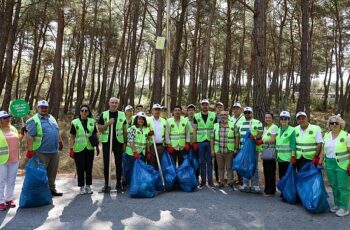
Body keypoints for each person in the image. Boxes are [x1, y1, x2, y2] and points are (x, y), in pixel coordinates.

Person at [26, 100, 64, 196]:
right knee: (40, 174)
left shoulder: (51, 118)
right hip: (41, 152)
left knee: (52, 173)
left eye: (45, 107)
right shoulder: (33, 120)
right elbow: (30, 136)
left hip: (54, 151)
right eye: (41, 107)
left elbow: (56, 130)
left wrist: (60, 141)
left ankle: (52, 189)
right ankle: (41, 193)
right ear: (37, 108)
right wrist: (30, 150)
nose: (44, 109)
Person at [319, 115, 350, 217]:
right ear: (329, 125)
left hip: (343, 164)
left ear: (340, 124)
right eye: (332, 123)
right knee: (334, 185)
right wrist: (320, 160)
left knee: (343, 186)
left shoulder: (346, 135)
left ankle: (344, 208)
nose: (334, 125)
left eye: (336, 123)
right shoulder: (326, 135)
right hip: (329, 163)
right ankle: (337, 204)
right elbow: (323, 150)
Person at [97, 97, 127, 193]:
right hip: (107, 142)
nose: (114, 104)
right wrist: (108, 123)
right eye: (112, 102)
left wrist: (124, 143)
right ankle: (107, 184)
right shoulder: (104, 114)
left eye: (116, 103)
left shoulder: (122, 114)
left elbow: (124, 130)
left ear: (118, 104)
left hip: (118, 142)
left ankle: (119, 184)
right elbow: (100, 129)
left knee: (119, 164)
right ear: (109, 103)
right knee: (106, 163)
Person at [69, 105, 98, 195]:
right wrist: (71, 149)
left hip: (89, 148)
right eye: (82, 110)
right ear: (80, 112)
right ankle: (81, 187)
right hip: (78, 149)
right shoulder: (75, 122)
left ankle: (88, 186)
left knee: (89, 168)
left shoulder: (92, 122)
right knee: (80, 168)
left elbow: (95, 135)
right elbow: (72, 137)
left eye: (86, 111)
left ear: (88, 112)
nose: (84, 112)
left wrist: (97, 146)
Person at [235, 107, 263, 193]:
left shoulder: (257, 122)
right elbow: (238, 136)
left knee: (253, 165)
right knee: (245, 165)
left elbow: (260, 134)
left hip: (253, 148)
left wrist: (254, 137)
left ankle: (255, 185)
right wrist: (237, 147)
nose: (247, 114)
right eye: (246, 112)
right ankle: (245, 184)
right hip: (243, 148)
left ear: (252, 113)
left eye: (249, 112)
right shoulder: (240, 123)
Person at [0, 111, 22, 211]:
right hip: (2, 160)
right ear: (0, 120)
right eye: (5, 118)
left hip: (14, 158)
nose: (8, 119)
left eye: (9, 117)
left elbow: (18, 141)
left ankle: (9, 199)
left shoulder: (13, 128)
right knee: (1, 181)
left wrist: (23, 133)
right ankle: (1, 201)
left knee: (11, 181)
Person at [194, 99, 216, 188]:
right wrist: (195, 142)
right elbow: (195, 130)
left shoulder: (213, 115)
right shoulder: (196, 116)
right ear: (201, 106)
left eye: (206, 104)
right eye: (203, 104)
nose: (205, 106)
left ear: (208, 105)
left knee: (210, 162)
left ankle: (210, 181)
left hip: (210, 141)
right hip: (200, 141)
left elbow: (215, 129)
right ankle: (203, 181)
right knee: (201, 162)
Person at [210, 111, 235, 188]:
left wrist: (236, 148)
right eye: (221, 115)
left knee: (229, 167)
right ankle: (222, 181)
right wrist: (212, 150)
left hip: (229, 150)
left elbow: (237, 137)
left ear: (228, 116)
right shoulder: (215, 126)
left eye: (225, 115)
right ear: (219, 116)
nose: (223, 116)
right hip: (218, 150)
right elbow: (212, 139)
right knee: (220, 167)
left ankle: (230, 181)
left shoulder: (233, 125)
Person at [261, 112, 278, 196]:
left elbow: (273, 140)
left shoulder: (274, 127)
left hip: (271, 151)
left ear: (272, 118)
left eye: (269, 117)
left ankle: (271, 190)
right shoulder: (265, 128)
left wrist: (262, 141)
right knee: (266, 171)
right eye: (266, 117)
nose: (267, 119)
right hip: (265, 151)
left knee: (271, 171)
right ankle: (267, 189)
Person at [275, 111, 296, 179]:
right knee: (281, 175)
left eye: (285, 118)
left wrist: (293, 156)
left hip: (288, 158)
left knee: (287, 176)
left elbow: (293, 144)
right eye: (282, 118)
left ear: (288, 120)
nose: (283, 120)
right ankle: (283, 189)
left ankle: (288, 189)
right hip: (279, 157)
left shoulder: (292, 130)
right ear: (280, 120)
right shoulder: (278, 130)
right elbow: (277, 144)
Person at [230, 102, 245, 185]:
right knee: (231, 163)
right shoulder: (230, 118)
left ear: (241, 109)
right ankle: (231, 180)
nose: (235, 110)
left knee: (240, 163)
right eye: (234, 108)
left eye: (237, 108)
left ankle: (241, 180)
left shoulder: (244, 118)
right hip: (231, 144)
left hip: (240, 145)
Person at [148, 104, 167, 169]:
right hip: (151, 145)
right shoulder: (148, 120)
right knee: (152, 163)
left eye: (158, 110)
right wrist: (148, 133)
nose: (157, 111)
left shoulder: (164, 121)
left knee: (161, 163)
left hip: (161, 146)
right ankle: (153, 178)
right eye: (155, 109)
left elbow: (166, 133)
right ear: (152, 110)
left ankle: (160, 177)